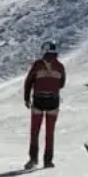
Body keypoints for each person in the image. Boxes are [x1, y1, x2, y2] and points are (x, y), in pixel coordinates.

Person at [23, 41, 66, 169]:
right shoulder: (60, 66)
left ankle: (33, 159)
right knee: (50, 132)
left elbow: (28, 82)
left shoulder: (37, 65)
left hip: (38, 100)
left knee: (35, 131)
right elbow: (62, 83)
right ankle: (48, 161)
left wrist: (26, 98)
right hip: (53, 101)